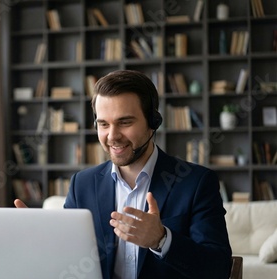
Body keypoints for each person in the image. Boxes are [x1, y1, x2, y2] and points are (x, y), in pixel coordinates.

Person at [15, 70, 232, 279]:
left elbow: (218, 269)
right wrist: (39, 240)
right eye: (103, 124)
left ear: (153, 122)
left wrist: (161, 239)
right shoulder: (82, 184)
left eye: (125, 122)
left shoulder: (196, 182)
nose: (112, 136)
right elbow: (67, 257)